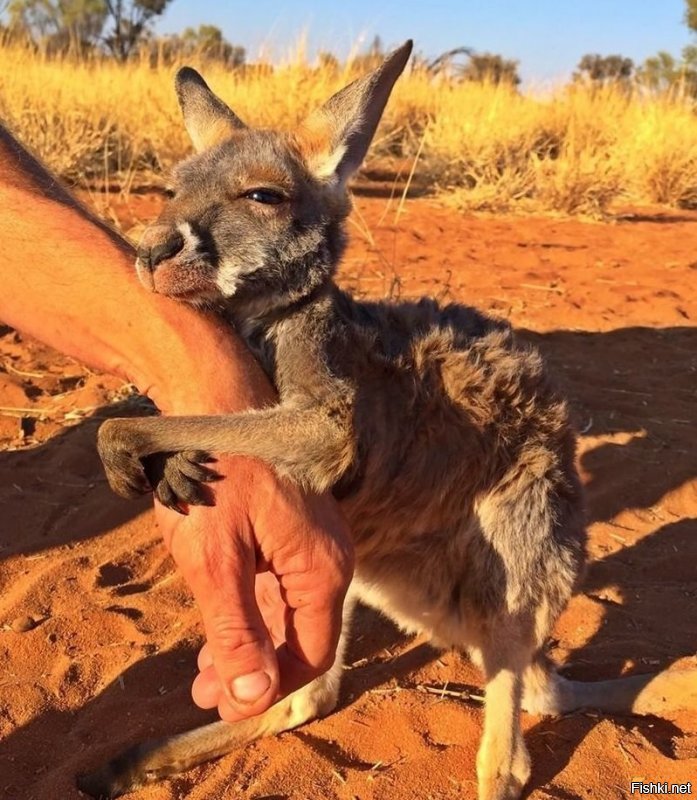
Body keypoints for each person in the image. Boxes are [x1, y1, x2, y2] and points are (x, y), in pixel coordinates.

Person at [0, 122, 353, 723]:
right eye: (177, 195)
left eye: (261, 198)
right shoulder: (214, 297)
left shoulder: (309, 324)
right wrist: (178, 410)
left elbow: (327, 433)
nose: (155, 236)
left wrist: (160, 432)